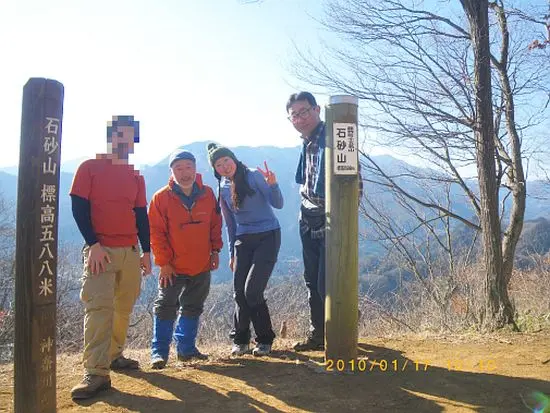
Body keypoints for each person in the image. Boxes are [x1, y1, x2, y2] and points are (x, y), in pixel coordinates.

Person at [70, 115, 152, 400]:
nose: (124, 141)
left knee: (123, 307)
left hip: (130, 251)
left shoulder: (135, 175)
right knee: (99, 309)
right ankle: (95, 372)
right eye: (120, 135)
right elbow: (78, 207)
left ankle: (115, 356)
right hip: (100, 251)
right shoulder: (89, 167)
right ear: (110, 136)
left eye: (129, 136)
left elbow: (141, 214)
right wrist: (92, 244)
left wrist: (147, 251)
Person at [287, 92, 363, 351]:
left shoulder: (333, 137)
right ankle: (319, 334)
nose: (300, 118)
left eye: (304, 111)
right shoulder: (307, 142)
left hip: (331, 219)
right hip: (307, 216)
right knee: (312, 280)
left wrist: (345, 220)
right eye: (294, 115)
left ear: (317, 109)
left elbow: (354, 182)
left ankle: (343, 325)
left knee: (327, 282)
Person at [148, 149, 222, 369]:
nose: (184, 173)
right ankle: (159, 353)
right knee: (165, 306)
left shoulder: (208, 194)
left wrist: (215, 251)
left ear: (195, 168)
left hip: (201, 263)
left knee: (193, 306)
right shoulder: (161, 198)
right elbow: (156, 233)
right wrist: (164, 263)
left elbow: (215, 225)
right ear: (172, 172)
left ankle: (186, 350)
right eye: (178, 168)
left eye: (188, 167)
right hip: (173, 266)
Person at [207, 143, 283, 357]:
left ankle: (265, 339)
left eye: (226, 161)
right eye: (218, 164)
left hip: (268, 236)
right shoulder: (222, 187)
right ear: (215, 168)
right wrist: (232, 253)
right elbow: (230, 224)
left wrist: (273, 184)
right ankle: (241, 340)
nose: (224, 166)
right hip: (243, 240)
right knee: (239, 292)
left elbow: (278, 204)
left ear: (234, 159)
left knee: (253, 291)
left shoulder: (253, 176)